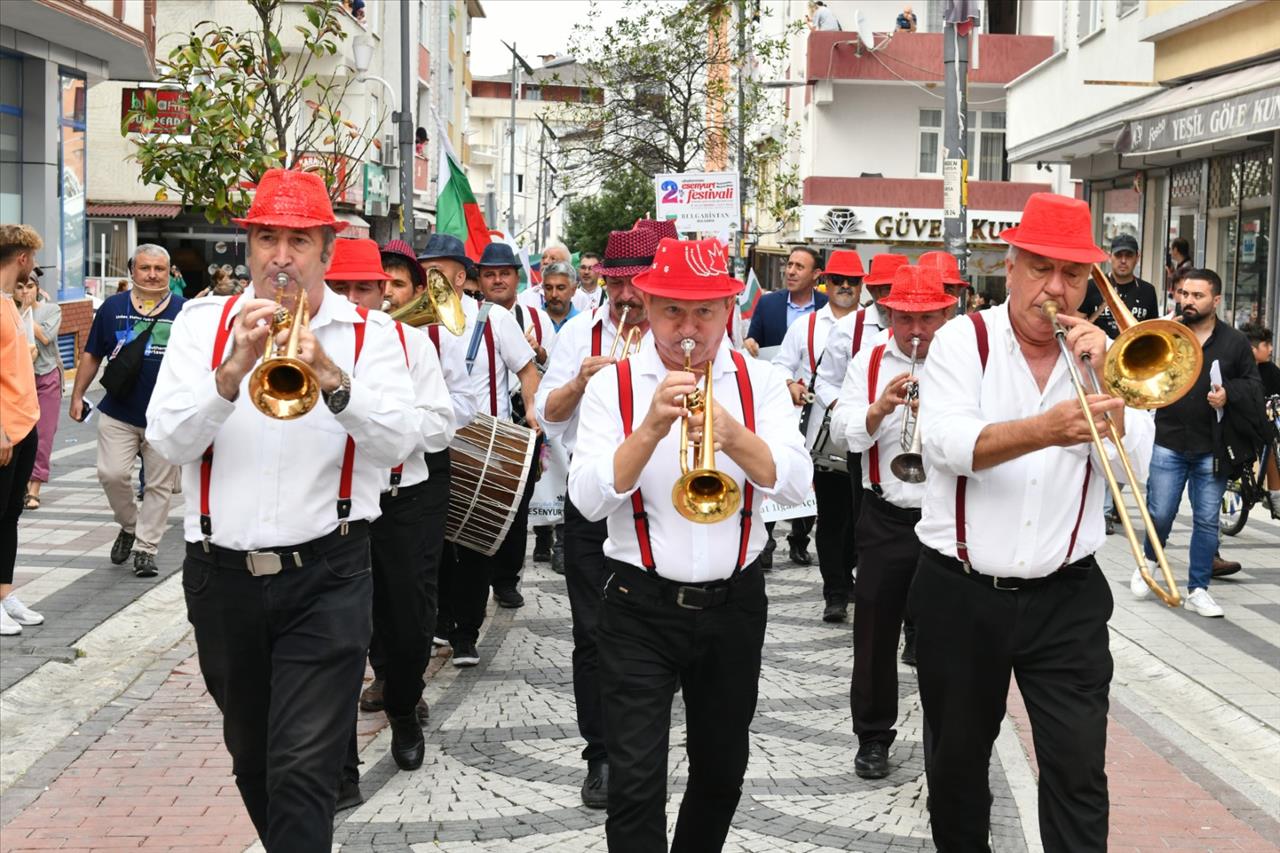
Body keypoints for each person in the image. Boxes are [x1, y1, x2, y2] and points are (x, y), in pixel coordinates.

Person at [145, 169, 417, 851]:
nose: (281, 256)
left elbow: (399, 444)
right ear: (250, 246)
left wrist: (329, 375)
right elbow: (168, 439)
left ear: (327, 247)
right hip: (220, 578)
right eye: (267, 237)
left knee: (303, 765)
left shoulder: (368, 335)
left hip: (327, 572)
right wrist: (232, 371)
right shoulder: (203, 325)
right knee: (254, 759)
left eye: (299, 239)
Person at [912, 192, 1155, 851]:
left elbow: (1132, 466)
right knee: (958, 770)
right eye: (1042, 268)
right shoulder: (966, 340)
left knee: (1079, 771)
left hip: (1067, 595)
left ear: (1091, 281)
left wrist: (1115, 377)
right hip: (960, 591)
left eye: (1073, 274)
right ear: (1011, 266)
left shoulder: (1100, 354)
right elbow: (948, 444)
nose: (1056, 289)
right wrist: (1047, 429)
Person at [568, 236, 812, 852]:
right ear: (646, 305)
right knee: (635, 781)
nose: (689, 328)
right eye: (673, 310)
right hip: (637, 605)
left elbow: (796, 482)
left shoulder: (762, 381)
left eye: (705, 311)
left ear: (729, 310)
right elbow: (588, 500)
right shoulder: (613, 388)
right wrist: (650, 428)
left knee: (722, 772)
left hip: (734, 605)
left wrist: (731, 435)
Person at [534, 220, 669, 809]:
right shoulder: (581, 334)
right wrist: (579, 387)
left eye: (637, 281)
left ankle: (648, 744)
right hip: (593, 505)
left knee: (660, 636)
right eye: (617, 281)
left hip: (668, 503)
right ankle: (603, 755)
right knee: (593, 634)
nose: (625, 295)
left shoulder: (682, 330)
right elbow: (547, 415)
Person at [325, 238, 454, 788]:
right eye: (341, 287)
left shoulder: (409, 343)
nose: (354, 297)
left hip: (405, 498)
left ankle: (403, 706)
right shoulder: (303, 342)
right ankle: (341, 765)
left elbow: (440, 425)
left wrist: (385, 422)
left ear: (383, 291)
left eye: (364, 287)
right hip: (336, 502)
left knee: (407, 623)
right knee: (338, 631)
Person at [353, 238, 480, 720]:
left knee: (411, 587)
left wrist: (409, 409)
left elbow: (461, 405)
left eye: (395, 285)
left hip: (419, 474)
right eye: (371, 286)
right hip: (359, 478)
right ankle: (384, 673)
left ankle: (407, 684)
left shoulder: (437, 336)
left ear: (412, 290)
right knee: (364, 588)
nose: (384, 297)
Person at [840, 264, 954, 779]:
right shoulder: (869, 360)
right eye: (907, 318)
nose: (916, 331)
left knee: (943, 639)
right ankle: (872, 736)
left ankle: (946, 740)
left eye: (928, 319)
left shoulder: (964, 363)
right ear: (888, 313)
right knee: (874, 635)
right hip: (885, 516)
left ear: (946, 313)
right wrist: (879, 409)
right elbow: (847, 435)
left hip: (947, 517)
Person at [422, 233, 538, 665]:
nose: (427, 275)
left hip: (487, 444)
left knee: (474, 543)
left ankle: (466, 633)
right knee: (435, 542)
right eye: (424, 268)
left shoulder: (493, 319)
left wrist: (531, 412)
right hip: (432, 446)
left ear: (457, 274)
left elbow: (527, 369)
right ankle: (440, 620)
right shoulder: (413, 322)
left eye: (435, 268)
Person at [1134, 269, 1263, 616]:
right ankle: (1150, 558)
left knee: (1206, 520)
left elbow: (1253, 386)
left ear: (1216, 300)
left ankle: (1198, 589)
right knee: (1160, 513)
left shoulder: (1235, 342)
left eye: (1197, 295)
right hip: (1169, 439)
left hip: (1213, 446)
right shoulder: (1167, 332)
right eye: (1184, 294)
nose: (1188, 301)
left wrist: (1228, 394)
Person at [70, 244, 184, 578]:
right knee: (111, 474)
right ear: (132, 270)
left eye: (159, 269)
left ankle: (147, 549)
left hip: (165, 416)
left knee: (159, 487)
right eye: (145, 267)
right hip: (118, 411)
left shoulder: (183, 310)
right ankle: (131, 525)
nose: (152, 274)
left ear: (169, 271)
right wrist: (77, 395)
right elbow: (92, 354)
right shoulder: (113, 307)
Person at [776, 249, 863, 621]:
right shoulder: (806, 326)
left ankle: (849, 576)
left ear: (862, 286)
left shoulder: (873, 326)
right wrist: (792, 385)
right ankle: (836, 592)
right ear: (825, 282)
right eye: (838, 280)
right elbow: (780, 366)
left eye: (853, 281)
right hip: (823, 435)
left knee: (860, 518)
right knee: (831, 516)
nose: (845, 287)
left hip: (866, 433)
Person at [476, 240, 550, 607]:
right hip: (484, 424)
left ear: (516, 278)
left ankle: (506, 580)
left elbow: (553, 371)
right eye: (489, 274)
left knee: (516, 507)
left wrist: (537, 353)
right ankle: (477, 579)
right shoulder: (468, 315)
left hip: (524, 428)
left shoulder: (537, 317)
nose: (497, 280)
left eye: (504, 273)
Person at [0, 225, 45, 636]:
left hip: (24, 422)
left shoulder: (11, 304)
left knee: (10, 515)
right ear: (23, 259)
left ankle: (5, 594)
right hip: (4, 430)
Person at [16, 273, 61, 510]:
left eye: (30, 286)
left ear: (38, 288)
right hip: (19, 381)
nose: (25, 291)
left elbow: (45, 337)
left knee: (44, 434)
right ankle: (20, 483)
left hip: (46, 377)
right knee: (20, 434)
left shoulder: (51, 310)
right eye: (20, 287)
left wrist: (25, 312)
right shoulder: (7, 311)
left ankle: (34, 488)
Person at [743, 246, 827, 357]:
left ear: (816, 274)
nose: (791, 272)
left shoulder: (827, 306)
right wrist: (750, 343)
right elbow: (752, 339)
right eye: (789, 265)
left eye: (799, 267)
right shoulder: (767, 303)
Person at [1077, 234, 1158, 338]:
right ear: (1110, 257)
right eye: (1118, 255)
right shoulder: (1091, 286)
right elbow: (1076, 323)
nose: (1123, 261)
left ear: (1137, 258)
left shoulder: (1148, 291)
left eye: (1129, 255)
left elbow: (1153, 331)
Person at [1241, 323, 1280, 519]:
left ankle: (1275, 495)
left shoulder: (1270, 370)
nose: (1271, 349)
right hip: (1239, 426)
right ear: (1252, 348)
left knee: (1271, 445)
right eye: (1266, 345)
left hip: (1264, 425)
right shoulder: (1235, 369)